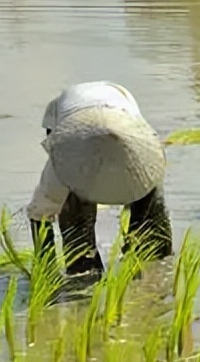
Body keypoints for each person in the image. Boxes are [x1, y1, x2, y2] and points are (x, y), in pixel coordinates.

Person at [28, 82, 172, 277]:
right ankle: (84, 269)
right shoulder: (65, 165)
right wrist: (45, 270)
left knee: (150, 229)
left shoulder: (143, 153)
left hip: (120, 110)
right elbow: (39, 214)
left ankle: (150, 268)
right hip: (68, 117)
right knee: (76, 224)